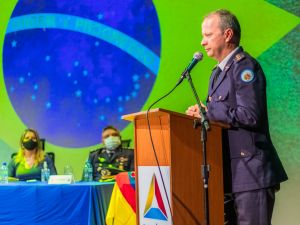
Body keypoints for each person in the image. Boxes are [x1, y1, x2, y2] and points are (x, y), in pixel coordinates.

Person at [186, 9, 288, 225]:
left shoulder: (245, 67)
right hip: (228, 174)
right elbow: (223, 115)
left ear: (228, 34)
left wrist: (209, 112)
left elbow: (251, 115)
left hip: (251, 174)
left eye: (208, 35)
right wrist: (204, 114)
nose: (203, 42)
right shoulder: (216, 74)